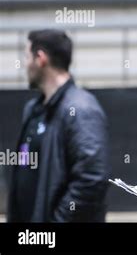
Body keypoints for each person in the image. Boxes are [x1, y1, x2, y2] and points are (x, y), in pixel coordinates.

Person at [7, 29, 109, 222]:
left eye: (27, 57)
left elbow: (92, 178)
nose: (25, 65)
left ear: (40, 58)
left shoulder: (81, 109)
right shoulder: (34, 109)